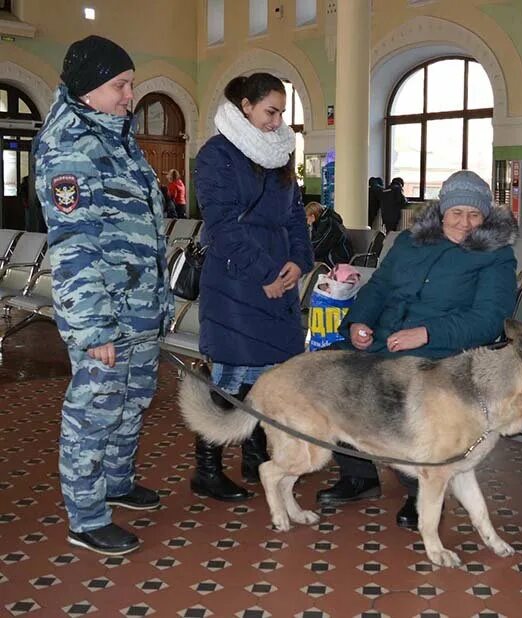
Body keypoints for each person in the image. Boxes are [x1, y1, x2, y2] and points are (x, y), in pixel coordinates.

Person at [34, 35, 174, 556]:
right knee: (95, 410)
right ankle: (87, 516)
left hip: (136, 307)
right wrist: (94, 329)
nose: (130, 95)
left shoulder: (115, 136)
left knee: (132, 401)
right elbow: (74, 247)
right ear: (90, 87)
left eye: (130, 83)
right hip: (103, 314)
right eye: (120, 85)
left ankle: (117, 483)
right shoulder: (69, 146)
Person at [316, 170, 518, 530]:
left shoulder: (496, 257)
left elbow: (489, 320)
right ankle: (358, 474)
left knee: (405, 401)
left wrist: (425, 333)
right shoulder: (411, 242)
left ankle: (420, 491)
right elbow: (378, 286)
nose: (465, 223)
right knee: (333, 378)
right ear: (441, 213)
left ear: (486, 217)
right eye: (456, 213)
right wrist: (360, 322)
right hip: (385, 339)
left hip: (444, 352)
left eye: (474, 215)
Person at [192, 72, 313, 502]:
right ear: (245, 105)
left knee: (272, 377)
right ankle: (206, 470)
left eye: (282, 112)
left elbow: (296, 215)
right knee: (232, 376)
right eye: (270, 110)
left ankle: (256, 457)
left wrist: (298, 261)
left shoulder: (279, 154)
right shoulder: (215, 155)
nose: (277, 121)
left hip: (277, 274)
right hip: (237, 280)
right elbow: (221, 225)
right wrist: (266, 274)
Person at [307, 201, 353, 266]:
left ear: (312, 216)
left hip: (338, 257)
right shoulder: (321, 223)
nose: (306, 222)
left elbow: (320, 245)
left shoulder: (329, 223)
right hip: (331, 255)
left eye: (307, 218)